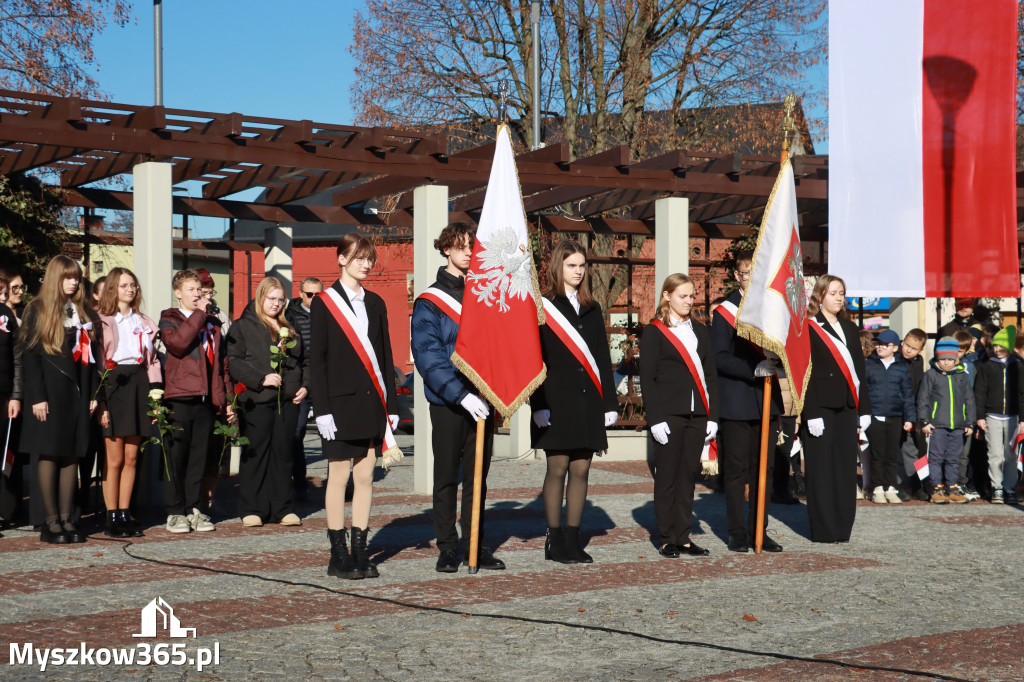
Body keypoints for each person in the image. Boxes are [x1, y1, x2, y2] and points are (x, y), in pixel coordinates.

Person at [411, 222, 503, 573]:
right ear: (446, 249)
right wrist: (461, 395)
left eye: (472, 246)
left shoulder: (486, 294)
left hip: (485, 398)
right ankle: (448, 546)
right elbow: (427, 356)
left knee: (477, 477)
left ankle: (475, 544)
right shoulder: (429, 300)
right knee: (447, 476)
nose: (468, 252)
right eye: (461, 246)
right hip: (449, 403)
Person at [311, 233, 398, 580]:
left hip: (371, 403)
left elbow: (386, 355)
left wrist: (390, 403)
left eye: (369, 258)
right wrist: (322, 410)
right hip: (339, 404)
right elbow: (316, 360)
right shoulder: (324, 302)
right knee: (338, 477)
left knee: (366, 476)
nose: (365, 264)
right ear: (341, 259)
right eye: (359, 257)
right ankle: (338, 555)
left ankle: (360, 551)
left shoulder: (375, 303)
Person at [530, 240, 618, 564]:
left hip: (589, 401)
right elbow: (534, 360)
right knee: (558, 468)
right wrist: (537, 403)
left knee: (582, 470)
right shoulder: (543, 306)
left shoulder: (593, 308)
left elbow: (602, 358)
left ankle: (573, 539)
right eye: (572, 265)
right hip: (554, 401)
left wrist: (610, 404)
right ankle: (554, 541)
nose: (578, 271)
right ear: (558, 267)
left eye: (582, 266)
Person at [18, 255, 102, 543]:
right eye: (68, 277)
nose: (74, 281)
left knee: (71, 455)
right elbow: (30, 358)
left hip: (76, 393)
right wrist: (37, 397)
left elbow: (91, 360)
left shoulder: (83, 312)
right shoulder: (37, 309)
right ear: (56, 278)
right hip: (49, 393)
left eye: (76, 277)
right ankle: (50, 521)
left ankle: (68, 519)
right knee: (50, 453)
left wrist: (92, 395)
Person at [640, 273, 718, 558]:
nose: (688, 300)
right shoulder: (655, 331)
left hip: (697, 415)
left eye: (691, 295)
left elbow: (711, 375)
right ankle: (666, 538)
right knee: (668, 478)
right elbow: (647, 379)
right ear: (667, 296)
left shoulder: (701, 331)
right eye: (682, 295)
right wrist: (655, 418)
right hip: (669, 415)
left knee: (688, 477)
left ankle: (684, 536)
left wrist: (713, 416)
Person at [710, 251, 783, 553]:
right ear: (736, 276)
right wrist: (753, 369)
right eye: (744, 273)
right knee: (738, 471)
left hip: (766, 399)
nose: (748, 277)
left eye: (754, 272)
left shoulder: (771, 307)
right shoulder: (724, 312)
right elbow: (720, 357)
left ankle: (760, 531)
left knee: (763, 471)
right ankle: (737, 532)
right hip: (738, 401)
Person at [226, 277, 307, 527]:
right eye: (271, 299)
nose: (276, 304)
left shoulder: (290, 326)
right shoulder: (242, 326)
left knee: (283, 454)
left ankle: (282, 508)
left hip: (288, 401)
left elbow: (304, 361)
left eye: (281, 299)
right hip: (256, 400)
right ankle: (253, 508)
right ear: (261, 297)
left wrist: (305, 386)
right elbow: (235, 362)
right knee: (256, 453)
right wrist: (261, 379)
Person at [158, 269, 234, 534]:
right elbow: (179, 344)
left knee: (198, 459)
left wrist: (227, 398)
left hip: (206, 399)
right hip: (179, 397)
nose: (197, 294)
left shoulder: (212, 323)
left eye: (199, 290)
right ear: (178, 293)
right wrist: (200, 314)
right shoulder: (169, 318)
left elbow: (221, 363)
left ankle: (195, 508)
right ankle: (175, 511)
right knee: (176, 457)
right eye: (191, 290)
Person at [801, 274, 871, 543]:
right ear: (820, 296)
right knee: (820, 469)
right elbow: (803, 373)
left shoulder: (850, 328)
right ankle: (823, 528)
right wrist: (810, 411)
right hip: (820, 408)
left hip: (846, 406)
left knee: (844, 468)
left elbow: (859, 371)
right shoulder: (808, 327)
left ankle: (843, 526)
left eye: (842, 292)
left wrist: (864, 408)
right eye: (833, 293)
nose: (839, 297)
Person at [96, 268, 161, 537]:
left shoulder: (144, 322)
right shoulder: (101, 320)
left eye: (133, 285)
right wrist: (101, 403)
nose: (130, 289)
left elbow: (153, 361)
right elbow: (97, 361)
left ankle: (125, 513)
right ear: (113, 288)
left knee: (132, 457)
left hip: (139, 383)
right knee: (114, 459)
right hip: (113, 383)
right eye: (124, 285)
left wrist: (156, 396)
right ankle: (111, 516)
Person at [918, 337, 975, 504]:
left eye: (950, 359)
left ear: (956, 358)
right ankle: (936, 487)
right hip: (937, 425)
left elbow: (969, 400)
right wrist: (924, 421)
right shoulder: (931, 375)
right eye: (943, 359)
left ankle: (952, 487)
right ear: (937, 358)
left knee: (953, 457)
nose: (946, 363)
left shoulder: (962, 376)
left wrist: (969, 422)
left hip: (958, 425)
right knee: (936, 457)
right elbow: (924, 399)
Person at [863, 329, 915, 505]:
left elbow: (908, 394)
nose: (880, 347)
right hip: (874, 416)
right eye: (878, 344)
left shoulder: (901, 367)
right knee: (877, 454)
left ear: (894, 348)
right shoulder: (869, 365)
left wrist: (909, 418)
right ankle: (877, 488)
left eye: (885, 345)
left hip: (895, 416)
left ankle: (891, 486)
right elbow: (863, 392)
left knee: (892, 454)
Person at [973, 326, 1023, 504]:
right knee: (994, 454)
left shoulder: (1018, 367)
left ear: (1009, 347)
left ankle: (1010, 487)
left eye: (1001, 346)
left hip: (1013, 417)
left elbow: (1022, 394)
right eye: (994, 346)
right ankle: (997, 487)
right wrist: (980, 416)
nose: (996, 350)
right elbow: (979, 392)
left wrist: (1022, 419)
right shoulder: (987, 367)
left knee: (1010, 455)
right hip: (992, 416)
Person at [285, 276, 323, 500]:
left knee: (332, 434)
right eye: (310, 294)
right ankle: (299, 482)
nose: (314, 298)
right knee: (296, 433)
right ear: (301, 294)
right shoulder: (289, 316)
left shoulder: (329, 313)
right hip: (302, 382)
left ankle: (337, 480)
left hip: (326, 380)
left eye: (319, 294)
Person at [196, 268, 230, 512]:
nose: (208, 295)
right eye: (203, 290)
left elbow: (227, 348)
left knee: (215, 449)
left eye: (210, 290)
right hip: (195, 387)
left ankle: (208, 498)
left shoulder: (221, 315)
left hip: (217, 386)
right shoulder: (181, 315)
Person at [0, 275, 23, 531]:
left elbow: (17, 359)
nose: (5, 297)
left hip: (4, 395)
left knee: (3, 455)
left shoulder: (7, 317)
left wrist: (16, 395)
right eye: (2, 292)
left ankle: (3, 512)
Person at [896, 328, 929, 501]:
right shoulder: (895, 359)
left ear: (920, 350)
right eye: (906, 345)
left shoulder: (918, 361)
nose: (908, 350)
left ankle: (918, 484)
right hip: (895, 411)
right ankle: (896, 485)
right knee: (893, 450)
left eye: (913, 348)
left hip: (913, 412)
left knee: (914, 450)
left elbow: (919, 387)